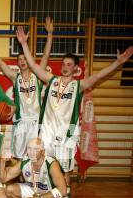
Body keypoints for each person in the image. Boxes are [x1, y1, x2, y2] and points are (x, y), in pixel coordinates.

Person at [16, 26, 133, 184]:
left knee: (65, 171)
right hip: (46, 131)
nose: (65, 67)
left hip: (66, 133)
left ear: (76, 68)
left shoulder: (79, 85)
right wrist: (24, 44)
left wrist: (117, 63)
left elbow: (98, 75)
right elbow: (35, 66)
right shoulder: (52, 80)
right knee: (39, 163)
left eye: (69, 64)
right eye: (64, 64)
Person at [0, 17, 53, 158]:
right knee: (18, 156)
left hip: (36, 122)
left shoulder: (38, 76)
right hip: (21, 122)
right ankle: (20, 180)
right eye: (20, 60)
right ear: (17, 63)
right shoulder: (15, 78)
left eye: (25, 59)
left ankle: (33, 181)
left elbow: (46, 55)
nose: (23, 62)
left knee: (35, 156)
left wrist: (50, 34)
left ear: (29, 61)